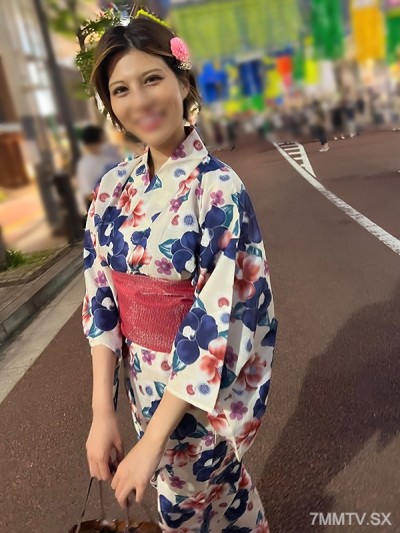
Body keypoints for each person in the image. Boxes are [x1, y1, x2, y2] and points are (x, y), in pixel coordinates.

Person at [82, 9, 277, 533]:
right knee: (223, 499)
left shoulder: (218, 187)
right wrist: (103, 412)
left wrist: (151, 443)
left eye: (152, 79)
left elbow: (219, 320)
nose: (140, 101)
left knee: (183, 507)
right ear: (110, 104)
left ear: (182, 82)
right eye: (121, 90)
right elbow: (101, 295)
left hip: (197, 398)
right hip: (143, 387)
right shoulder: (112, 187)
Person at [77, 125, 121, 211]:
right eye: (103, 139)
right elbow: (88, 194)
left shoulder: (109, 153)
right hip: (102, 207)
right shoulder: (85, 164)